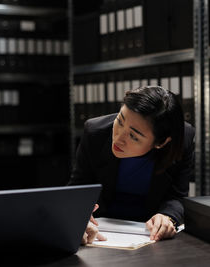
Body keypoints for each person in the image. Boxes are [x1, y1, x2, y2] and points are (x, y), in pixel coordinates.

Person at [71, 86, 195, 243]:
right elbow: (78, 188)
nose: (119, 138)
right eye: (120, 121)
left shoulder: (183, 140)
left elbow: (177, 196)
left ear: (161, 142)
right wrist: (78, 216)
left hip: (149, 236)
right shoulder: (95, 132)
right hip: (102, 231)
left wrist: (168, 216)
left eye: (134, 136)